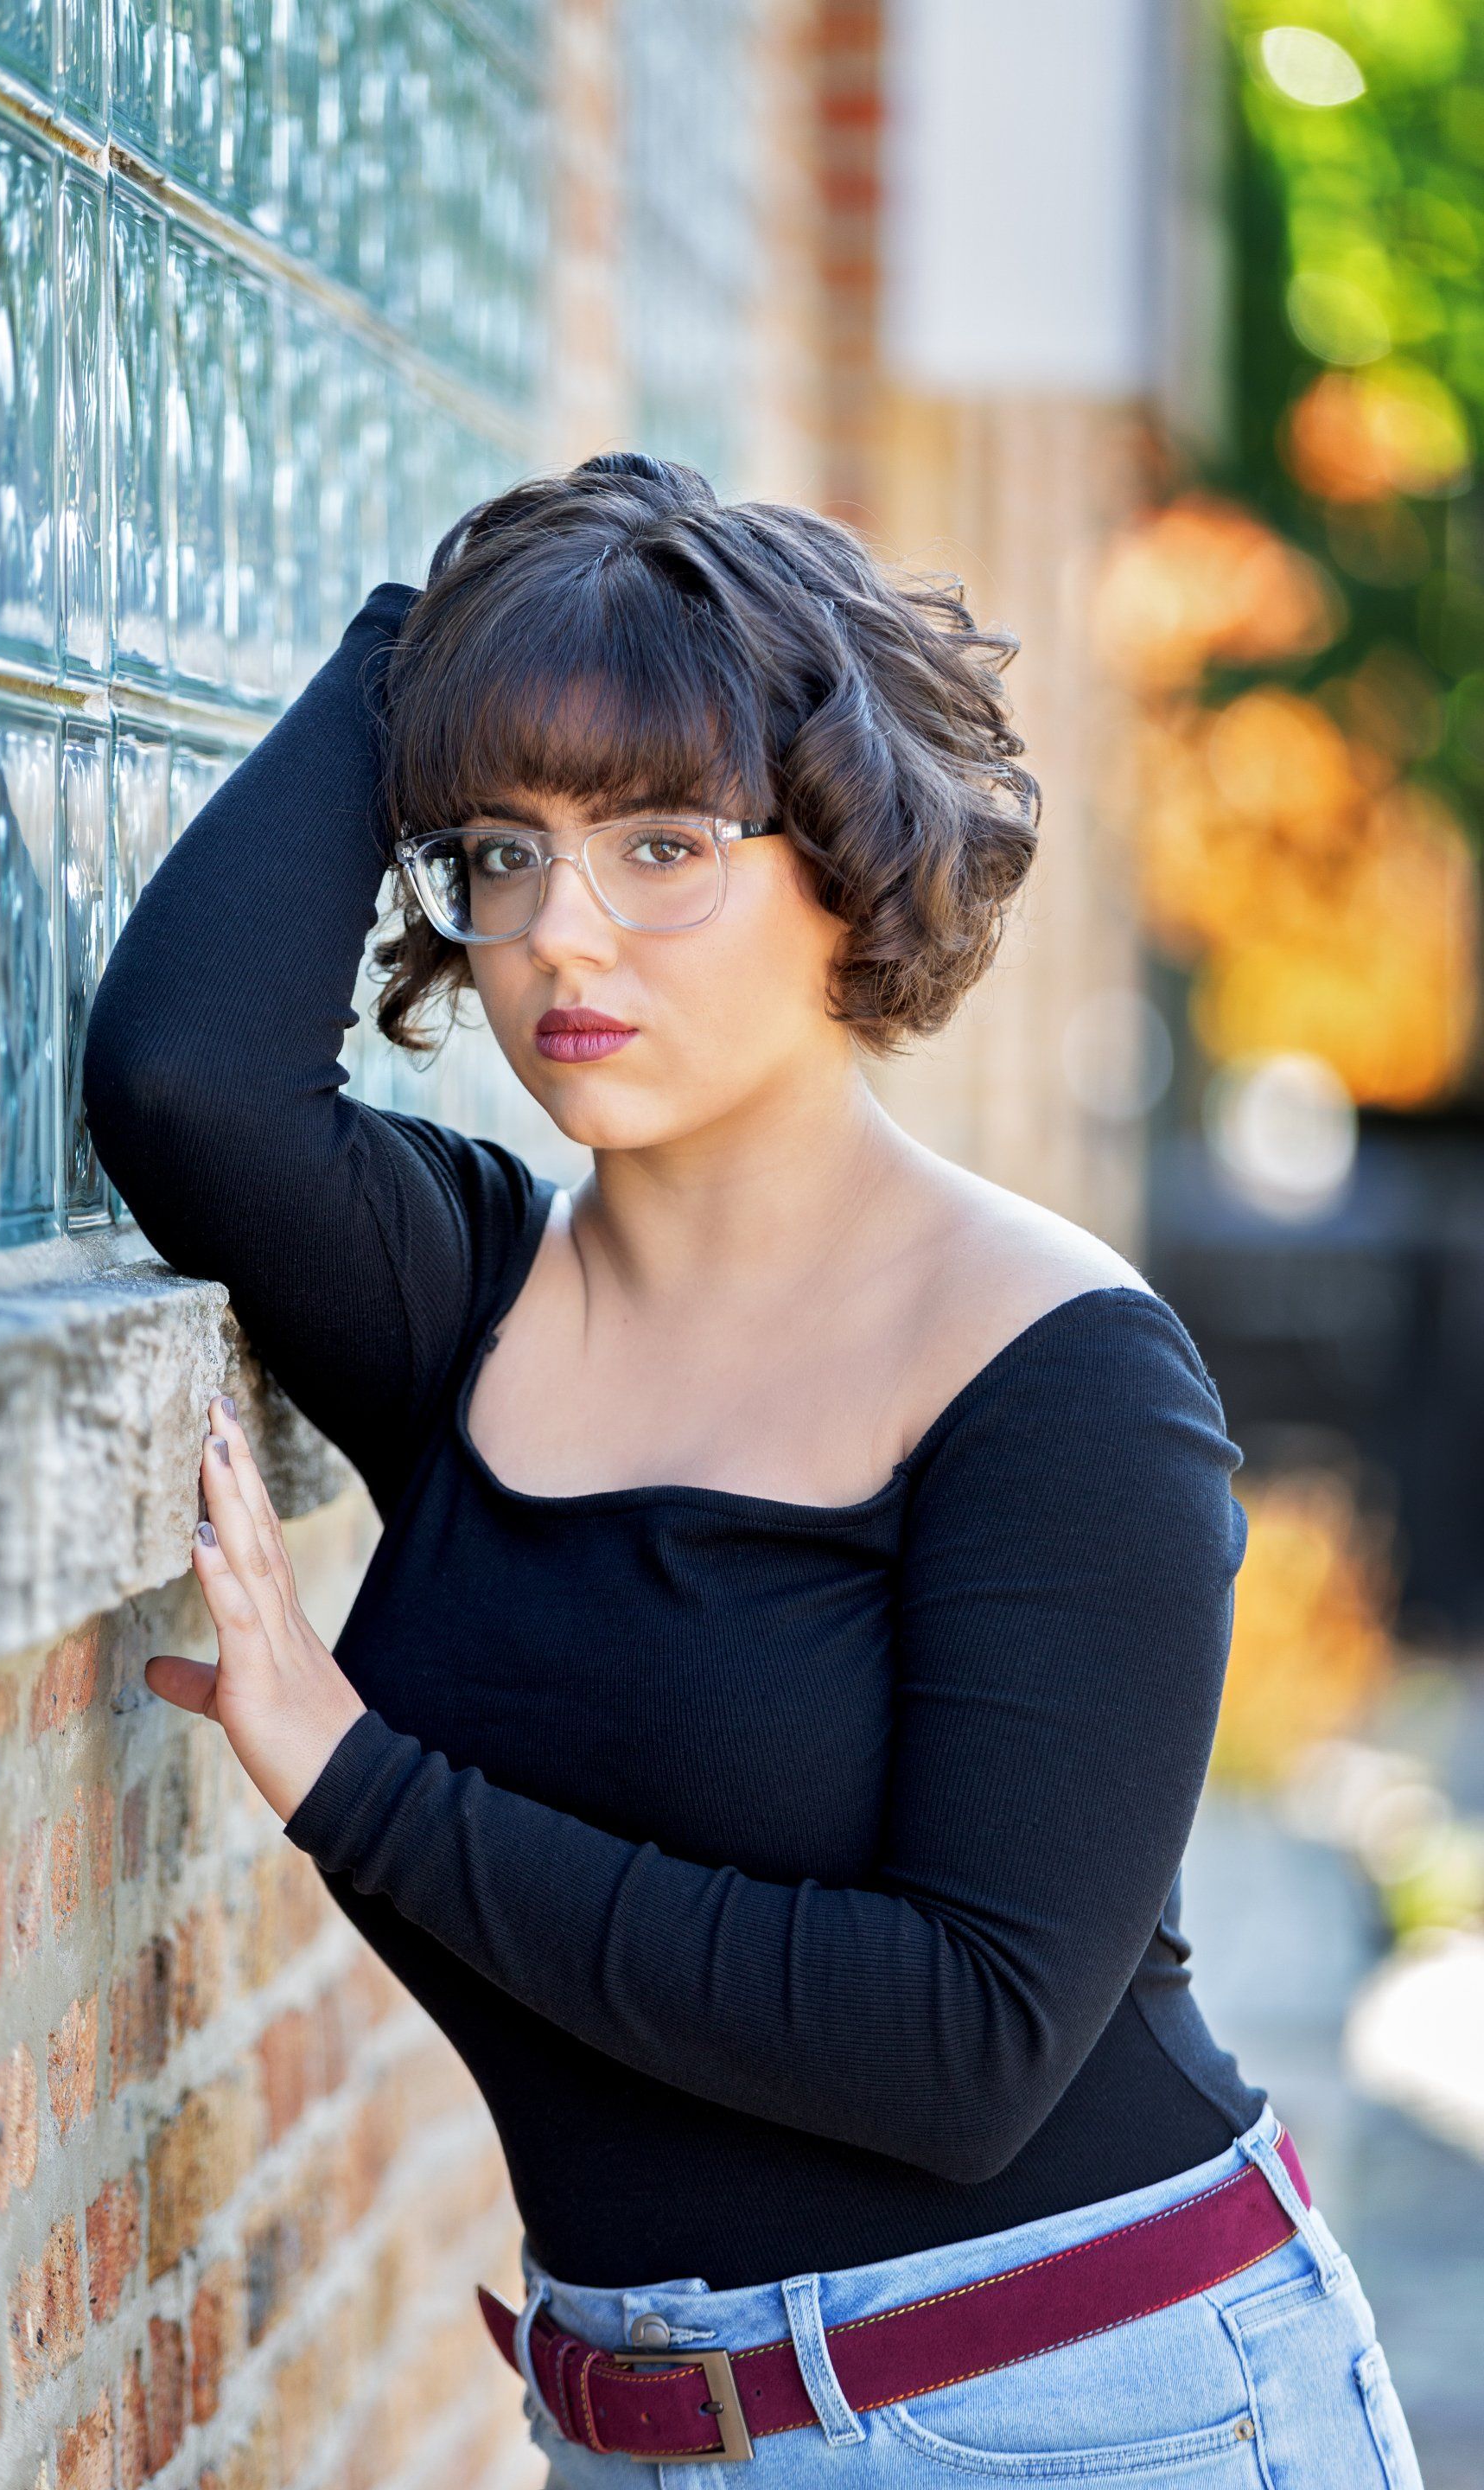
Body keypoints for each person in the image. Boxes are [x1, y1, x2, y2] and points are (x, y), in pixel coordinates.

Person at [82, 454, 1423, 2487]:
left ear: (845, 863)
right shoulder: (466, 1309)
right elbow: (181, 1075)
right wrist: (433, 648)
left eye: (664, 845)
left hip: (1087, 2409)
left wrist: (363, 1787)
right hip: (634, 2430)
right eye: (500, 850)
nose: (559, 935)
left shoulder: (1057, 1376)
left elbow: (958, 2046)